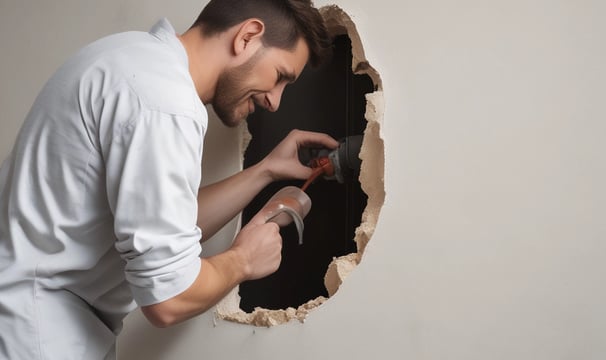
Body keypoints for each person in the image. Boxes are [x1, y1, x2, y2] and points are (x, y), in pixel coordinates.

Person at [0, 0, 336, 358]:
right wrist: (243, 260)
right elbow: (169, 298)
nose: (275, 101)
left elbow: (163, 224)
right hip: (35, 334)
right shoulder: (165, 104)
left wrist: (266, 169)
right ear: (248, 36)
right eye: (281, 76)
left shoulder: (132, 59)